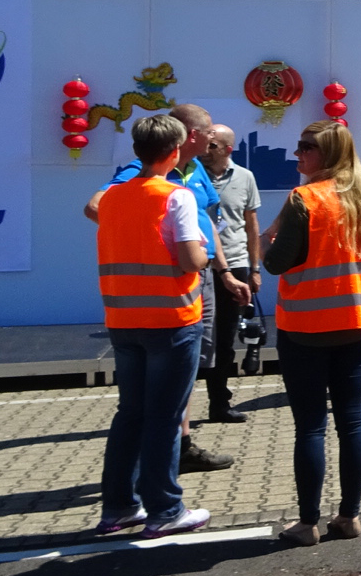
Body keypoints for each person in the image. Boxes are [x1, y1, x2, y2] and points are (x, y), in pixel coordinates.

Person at [83, 104, 241, 472]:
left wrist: (226, 271)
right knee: (158, 391)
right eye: (207, 132)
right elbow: (95, 208)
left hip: (199, 281)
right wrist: (158, 243)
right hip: (170, 291)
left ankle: (177, 450)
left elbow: (207, 225)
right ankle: (163, 478)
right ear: (188, 135)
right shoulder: (140, 172)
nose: (212, 138)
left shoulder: (196, 169)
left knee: (192, 367)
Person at [262, 120, 361, 547]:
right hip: (358, 323)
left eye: (306, 148)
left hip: (306, 328)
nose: (298, 155)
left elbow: (277, 262)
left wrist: (263, 242)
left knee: (311, 428)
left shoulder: (305, 200)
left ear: (329, 154)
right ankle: (349, 517)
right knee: (352, 422)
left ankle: (307, 522)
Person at [93, 114, 212, 539]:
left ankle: (119, 507)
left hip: (123, 319)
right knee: (165, 416)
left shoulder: (111, 198)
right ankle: (165, 508)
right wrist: (204, 254)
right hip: (171, 318)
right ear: (176, 152)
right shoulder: (175, 196)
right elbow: (189, 259)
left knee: (130, 413)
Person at [199, 124, 261, 422]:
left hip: (234, 264)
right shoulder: (190, 175)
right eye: (205, 144)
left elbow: (251, 226)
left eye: (213, 146)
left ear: (227, 149)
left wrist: (255, 268)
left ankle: (219, 402)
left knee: (224, 338)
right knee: (198, 337)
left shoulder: (245, 177)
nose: (206, 151)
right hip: (199, 264)